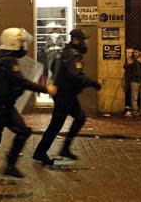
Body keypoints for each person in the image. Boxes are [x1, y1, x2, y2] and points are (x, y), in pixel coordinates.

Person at [0, 28, 56, 185]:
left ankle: (10, 165)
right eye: (21, 43)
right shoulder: (7, 62)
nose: (23, 46)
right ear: (13, 43)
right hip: (0, 107)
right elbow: (21, 81)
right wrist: (45, 89)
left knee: (23, 132)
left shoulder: (5, 60)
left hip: (6, 106)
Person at [33, 29, 102, 165]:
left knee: (80, 118)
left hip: (68, 94)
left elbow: (54, 68)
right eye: (84, 40)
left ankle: (65, 148)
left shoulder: (67, 52)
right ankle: (40, 152)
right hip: (64, 95)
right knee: (56, 124)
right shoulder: (72, 54)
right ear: (76, 40)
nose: (86, 43)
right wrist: (93, 83)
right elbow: (75, 76)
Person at [123, 47, 141, 117]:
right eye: (134, 52)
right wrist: (129, 63)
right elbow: (125, 67)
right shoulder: (131, 60)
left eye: (136, 52)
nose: (135, 54)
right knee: (134, 98)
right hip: (134, 81)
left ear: (140, 53)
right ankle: (135, 112)